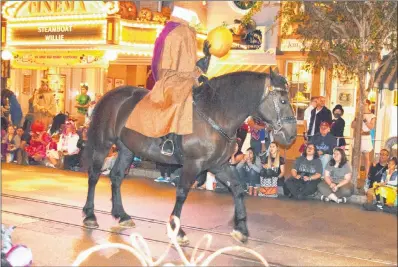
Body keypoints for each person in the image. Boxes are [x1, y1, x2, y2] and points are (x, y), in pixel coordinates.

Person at [125, 6, 212, 156]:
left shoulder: (188, 32)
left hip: (188, 78)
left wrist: (204, 61)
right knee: (179, 100)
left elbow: (190, 64)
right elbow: (167, 68)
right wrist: (192, 74)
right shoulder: (174, 34)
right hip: (171, 80)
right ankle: (168, 139)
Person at [351, 99, 376, 179]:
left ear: (368, 104)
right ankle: (357, 174)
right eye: (362, 104)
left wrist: (365, 120)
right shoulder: (358, 114)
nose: (363, 105)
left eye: (365, 104)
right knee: (357, 156)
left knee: (366, 157)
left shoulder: (372, 115)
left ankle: (367, 174)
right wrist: (356, 119)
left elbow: (371, 127)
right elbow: (352, 125)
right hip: (358, 137)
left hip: (366, 137)